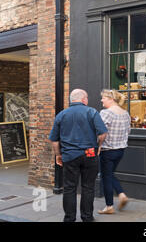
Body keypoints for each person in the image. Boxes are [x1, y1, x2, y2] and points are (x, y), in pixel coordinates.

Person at [49, 89, 108, 222]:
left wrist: (58, 155)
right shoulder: (91, 112)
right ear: (83, 99)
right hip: (90, 154)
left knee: (69, 188)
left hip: (69, 156)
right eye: (87, 98)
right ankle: (87, 217)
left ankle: (69, 218)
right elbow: (103, 133)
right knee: (88, 187)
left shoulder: (61, 115)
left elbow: (54, 140)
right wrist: (98, 147)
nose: (87, 100)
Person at [98, 89, 131, 215]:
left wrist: (99, 145)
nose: (101, 100)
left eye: (104, 98)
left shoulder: (106, 113)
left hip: (108, 150)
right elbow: (128, 132)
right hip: (120, 150)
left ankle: (109, 206)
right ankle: (121, 194)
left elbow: (101, 132)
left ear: (111, 99)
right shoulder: (125, 113)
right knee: (110, 174)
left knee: (106, 176)